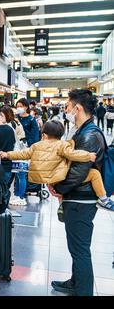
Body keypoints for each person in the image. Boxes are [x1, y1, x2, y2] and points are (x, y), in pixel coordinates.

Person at [49, 89, 106, 296]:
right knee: (76, 247)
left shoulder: (90, 135)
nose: (66, 110)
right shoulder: (84, 131)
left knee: (80, 250)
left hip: (82, 200)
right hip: (79, 197)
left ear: (77, 108)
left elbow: (79, 173)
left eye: (67, 106)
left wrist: (58, 188)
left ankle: (83, 291)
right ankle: (76, 282)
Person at [1, 120, 113, 210]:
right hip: (59, 176)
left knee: (59, 187)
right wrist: (88, 156)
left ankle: (61, 207)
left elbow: (23, 154)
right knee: (94, 174)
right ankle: (103, 199)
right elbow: (72, 154)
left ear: (44, 135)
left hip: (48, 179)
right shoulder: (61, 145)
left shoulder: (36, 145)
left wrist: (7, 154)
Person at [14, 98, 40, 206]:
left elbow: (35, 136)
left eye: (20, 106)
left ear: (26, 107)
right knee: (16, 172)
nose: (18, 108)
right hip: (16, 148)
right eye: (17, 106)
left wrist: (31, 148)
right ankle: (17, 193)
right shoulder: (15, 119)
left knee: (22, 172)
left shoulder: (31, 120)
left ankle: (21, 195)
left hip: (26, 149)